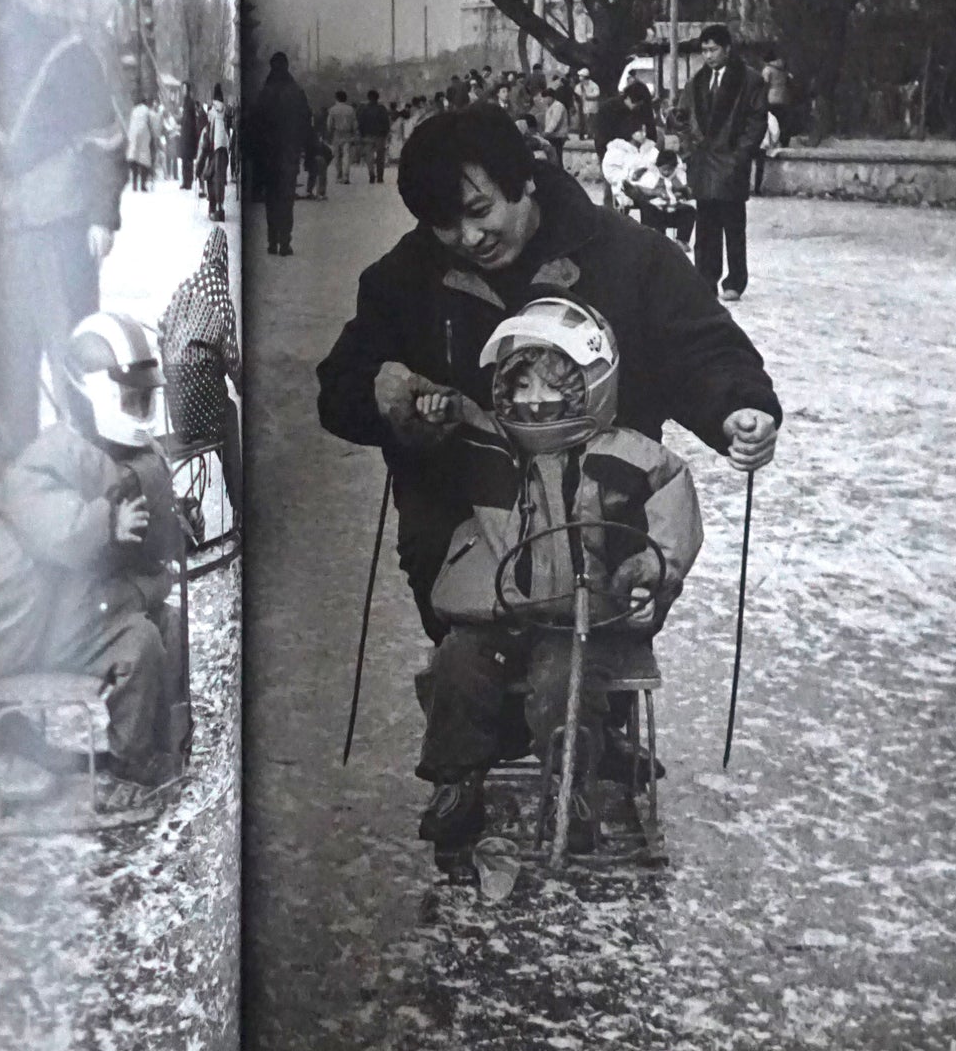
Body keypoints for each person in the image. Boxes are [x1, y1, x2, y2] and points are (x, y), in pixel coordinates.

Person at [316, 107, 781, 845]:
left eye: (478, 211)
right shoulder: (404, 280)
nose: (467, 237)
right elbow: (337, 390)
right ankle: (482, 745)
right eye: (444, 224)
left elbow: (701, 350)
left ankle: (596, 730)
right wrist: (385, 396)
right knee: (472, 650)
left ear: (523, 182)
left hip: (599, 516)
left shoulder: (630, 258)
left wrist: (738, 412)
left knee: (591, 627)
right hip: (463, 520)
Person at [413, 297, 704, 856]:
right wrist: (426, 413)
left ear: (585, 388)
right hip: (494, 612)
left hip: (577, 616)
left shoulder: (618, 453)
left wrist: (652, 567)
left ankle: (570, 785)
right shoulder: (490, 443)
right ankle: (457, 782)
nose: (535, 402)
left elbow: (672, 490)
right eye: (521, 387)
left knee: (561, 686)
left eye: (552, 387)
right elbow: (444, 430)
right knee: (456, 665)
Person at [0, 311, 188, 809]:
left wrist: (175, 522)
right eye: (130, 399)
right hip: (61, 624)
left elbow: (150, 536)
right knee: (139, 646)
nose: (140, 410)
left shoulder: (126, 456)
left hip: (96, 608)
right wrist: (102, 524)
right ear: (91, 391)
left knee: (167, 627)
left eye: (145, 399)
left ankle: (162, 745)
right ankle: (125, 770)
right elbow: (52, 528)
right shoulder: (50, 455)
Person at [0, 0, 126, 477]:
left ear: (3, 10)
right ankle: (16, 491)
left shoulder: (66, 54)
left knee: (73, 367)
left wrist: (102, 215)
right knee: (5, 368)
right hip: (5, 244)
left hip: (62, 241)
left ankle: (84, 486)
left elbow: (108, 141)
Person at [158, 227, 242, 523]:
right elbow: (231, 355)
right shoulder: (220, 295)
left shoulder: (185, 287)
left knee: (217, 411)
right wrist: (241, 384)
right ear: (224, 261)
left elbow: (161, 329)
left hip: (178, 410)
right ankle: (241, 507)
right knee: (229, 416)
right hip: (204, 404)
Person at [680, 24, 769, 300]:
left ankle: (735, 281)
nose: (708, 55)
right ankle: (705, 279)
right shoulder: (696, 82)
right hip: (704, 164)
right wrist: (688, 152)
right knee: (705, 228)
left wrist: (739, 156)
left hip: (730, 164)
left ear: (727, 49)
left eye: (713, 49)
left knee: (733, 227)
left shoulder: (749, 81)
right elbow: (683, 119)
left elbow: (757, 123)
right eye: (704, 50)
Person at [245, 51, 312, 256]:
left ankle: (272, 240)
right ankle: (285, 242)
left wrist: (253, 154)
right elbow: (306, 122)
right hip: (289, 155)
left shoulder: (264, 93)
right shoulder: (296, 92)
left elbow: (253, 125)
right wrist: (308, 151)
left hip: (267, 156)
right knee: (286, 198)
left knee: (271, 199)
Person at [205, 82, 232, 219]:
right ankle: (220, 207)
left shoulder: (211, 111)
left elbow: (208, 130)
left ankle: (216, 209)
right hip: (223, 146)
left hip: (214, 146)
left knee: (213, 177)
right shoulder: (224, 111)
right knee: (220, 179)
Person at [358, 89, 391, 183]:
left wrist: (361, 134)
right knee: (380, 157)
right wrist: (386, 133)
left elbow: (361, 123)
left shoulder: (364, 109)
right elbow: (386, 122)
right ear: (378, 98)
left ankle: (371, 173)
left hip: (368, 135)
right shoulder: (382, 109)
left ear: (368, 98)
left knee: (369, 156)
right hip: (380, 136)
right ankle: (380, 176)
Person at [126, 94, 157, 192]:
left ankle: (134, 182)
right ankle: (143, 184)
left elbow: (130, 123)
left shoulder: (134, 110)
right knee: (144, 159)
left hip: (133, 134)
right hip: (144, 133)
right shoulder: (147, 111)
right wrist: (154, 137)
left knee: (134, 158)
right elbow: (152, 125)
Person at [326, 88, 358, 183]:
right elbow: (355, 124)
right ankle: (346, 176)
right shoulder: (350, 109)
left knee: (337, 156)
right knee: (346, 156)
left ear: (336, 98)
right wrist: (354, 132)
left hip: (337, 134)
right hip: (347, 134)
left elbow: (329, 124)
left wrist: (330, 133)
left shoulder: (332, 109)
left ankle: (338, 176)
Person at [178, 83, 199, 190]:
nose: (183, 90)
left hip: (189, 136)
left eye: (184, 88)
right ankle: (185, 181)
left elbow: (191, 120)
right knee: (184, 160)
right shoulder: (185, 102)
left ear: (188, 89)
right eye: (182, 88)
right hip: (185, 135)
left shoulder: (190, 102)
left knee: (188, 160)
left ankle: (188, 182)